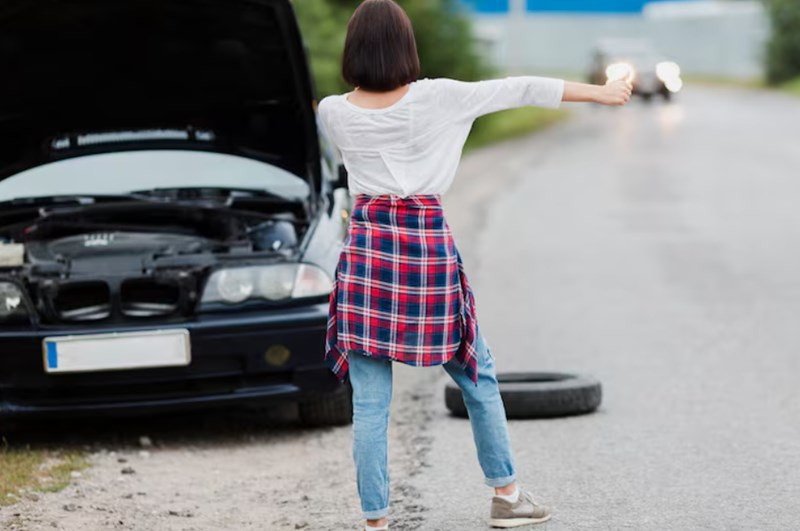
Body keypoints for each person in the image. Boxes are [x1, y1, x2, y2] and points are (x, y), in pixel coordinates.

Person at [318, 1, 631, 529]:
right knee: (476, 372)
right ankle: (507, 498)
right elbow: (521, 88)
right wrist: (601, 93)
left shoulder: (333, 111)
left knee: (370, 403)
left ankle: (375, 522)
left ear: (352, 50)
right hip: (423, 248)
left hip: (367, 253)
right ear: (405, 47)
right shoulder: (440, 98)